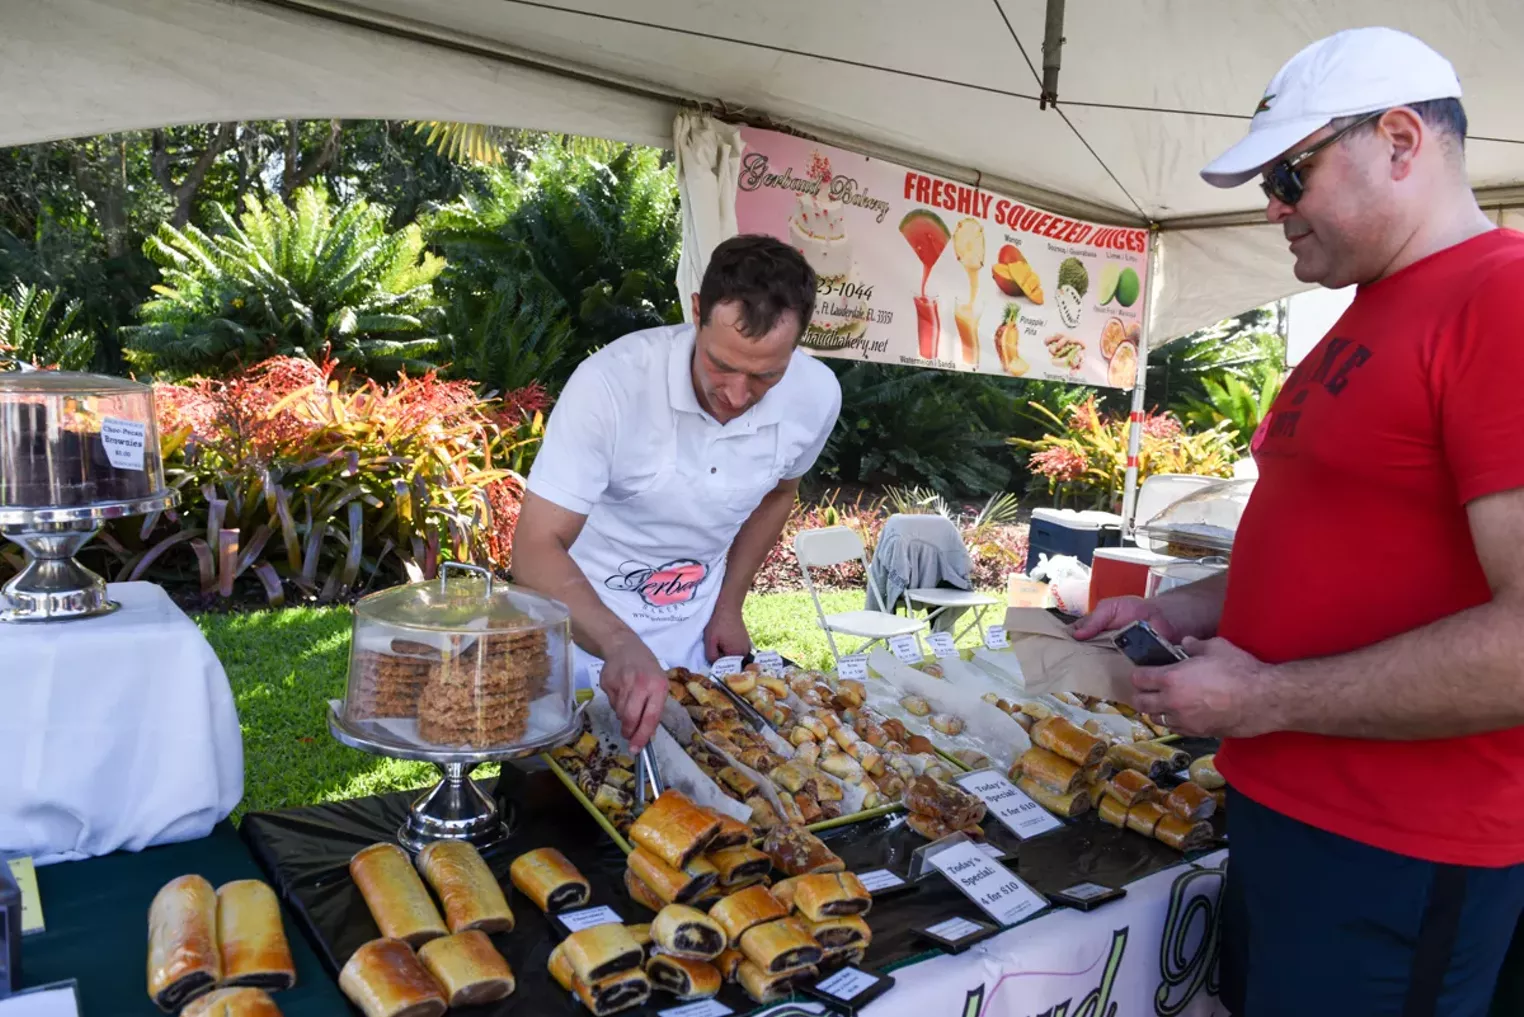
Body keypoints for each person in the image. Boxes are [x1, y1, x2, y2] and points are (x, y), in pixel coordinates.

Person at [1075, 27, 1524, 1015]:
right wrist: (1188, 609)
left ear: (1401, 141)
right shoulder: (1365, 315)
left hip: (1399, 854)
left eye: (1290, 173)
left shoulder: (1503, 298)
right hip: (1290, 820)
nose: (1272, 208)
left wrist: (1267, 697)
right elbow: (1334, 547)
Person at [514, 235, 841, 752]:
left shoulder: (817, 394)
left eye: (765, 375)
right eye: (721, 365)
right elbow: (533, 547)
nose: (737, 396)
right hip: (579, 625)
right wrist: (619, 643)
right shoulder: (610, 385)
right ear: (696, 310)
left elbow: (779, 493)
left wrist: (730, 604)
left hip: (692, 632)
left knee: (690, 791)